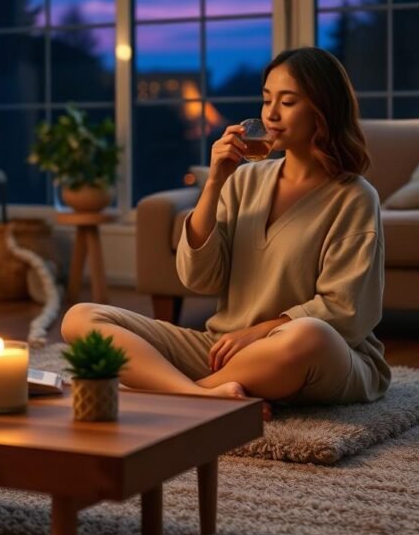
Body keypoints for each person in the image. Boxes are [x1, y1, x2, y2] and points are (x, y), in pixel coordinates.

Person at [62, 47, 391, 413]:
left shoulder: (355, 197)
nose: (272, 113)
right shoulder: (245, 179)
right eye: (267, 100)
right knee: (81, 319)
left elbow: (345, 310)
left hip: (318, 355)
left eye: (288, 101)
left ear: (322, 110)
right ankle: (203, 397)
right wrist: (215, 183)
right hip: (224, 349)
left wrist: (256, 333)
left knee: (309, 334)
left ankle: (171, 394)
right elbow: (201, 279)